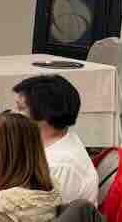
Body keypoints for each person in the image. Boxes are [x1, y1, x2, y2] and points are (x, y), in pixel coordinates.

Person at [13, 75, 98, 204]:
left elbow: (40, 212)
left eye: (20, 108)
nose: (14, 114)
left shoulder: (60, 166)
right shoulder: (60, 140)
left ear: (44, 114)